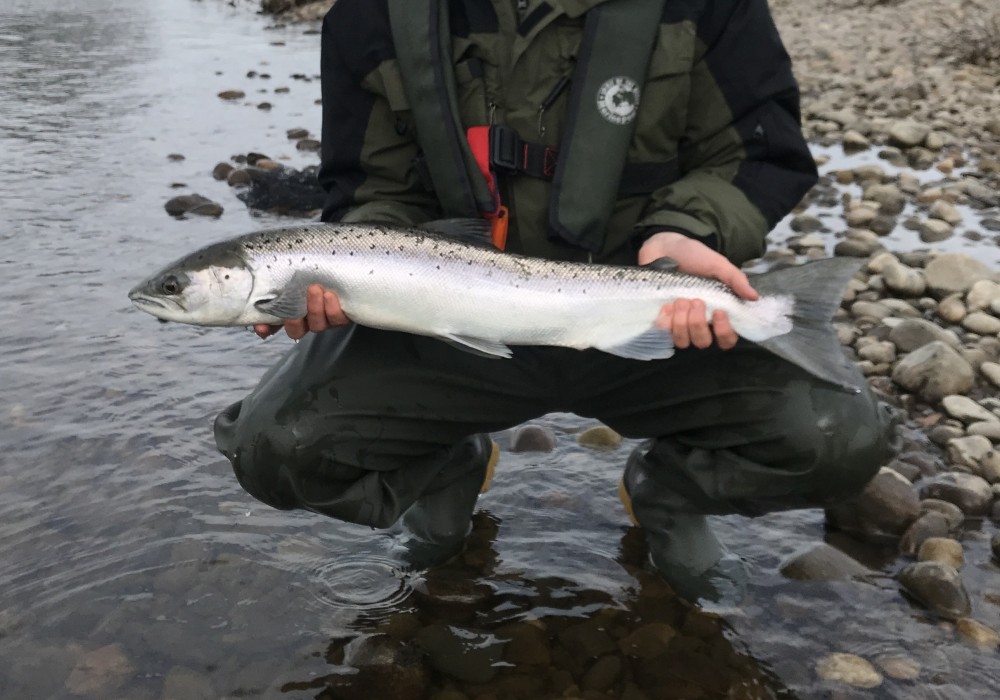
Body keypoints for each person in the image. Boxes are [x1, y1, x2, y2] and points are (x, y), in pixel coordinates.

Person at [214, 0, 898, 606]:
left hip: (644, 316)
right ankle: (444, 470)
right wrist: (347, 281)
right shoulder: (372, 15)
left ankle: (670, 494)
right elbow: (369, 186)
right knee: (276, 447)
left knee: (838, 435)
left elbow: (759, 154)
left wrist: (690, 233)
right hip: (448, 327)